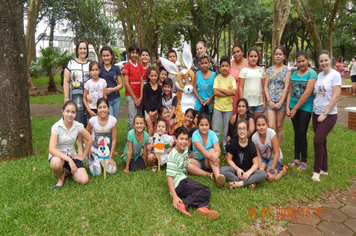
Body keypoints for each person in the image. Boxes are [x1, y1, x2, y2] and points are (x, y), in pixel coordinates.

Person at [166, 127, 219, 219]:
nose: (184, 142)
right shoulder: (173, 155)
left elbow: (186, 163)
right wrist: (174, 196)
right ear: (175, 139)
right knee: (205, 190)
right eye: (181, 139)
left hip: (183, 180)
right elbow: (169, 177)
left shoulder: (185, 148)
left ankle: (202, 208)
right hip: (179, 184)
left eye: (186, 139)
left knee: (199, 190)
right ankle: (182, 204)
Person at [48, 100, 93, 188]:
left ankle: (67, 170)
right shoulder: (56, 127)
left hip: (72, 155)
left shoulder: (78, 126)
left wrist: (83, 156)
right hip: (58, 156)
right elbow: (52, 149)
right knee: (55, 162)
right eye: (67, 111)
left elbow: (90, 139)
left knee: (84, 180)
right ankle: (60, 178)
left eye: (73, 112)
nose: (70, 114)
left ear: (76, 114)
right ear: (63, 112)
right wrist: (69, 160)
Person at [312, 50, 341, 182]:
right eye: (321, 61)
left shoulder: (335, 75)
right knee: (322, 141)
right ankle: (324, 168)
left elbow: (335, 97)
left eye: (325, 60)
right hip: (316, 112)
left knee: (317, 141)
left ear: (330, 59)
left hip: (328, 115)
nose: (323, 63)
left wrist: (325, 113)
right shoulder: (319, 75)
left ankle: (316, 171)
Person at [286, 50, 317, 171]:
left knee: (302, 133)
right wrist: (289, 107)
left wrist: (295, 109)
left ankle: (304, 160)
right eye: (298, 62)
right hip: (293, 106)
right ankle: (296, 158)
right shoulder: (294, 74)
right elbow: (290, 91)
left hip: (304, 108)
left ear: (307, 60)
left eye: (303, 61)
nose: (301, 64)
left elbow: (307, 94)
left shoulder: (312, 74)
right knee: (296, 132)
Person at [220, 119, 266, 189]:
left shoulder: (251, 145)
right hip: (235, 170)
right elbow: (229, 160)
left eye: (244, 129)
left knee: (262, 174)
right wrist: (237, 169)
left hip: (248, 171)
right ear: (237, 131)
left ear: (247, 130)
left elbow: (256, 164)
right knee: (222, 170)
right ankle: (247, 183)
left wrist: (248, 173)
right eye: (240, 129)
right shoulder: (233, 143)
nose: (242, 131)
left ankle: (239, 183)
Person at [63, 40, 90, 154]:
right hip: (75, 97)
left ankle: (88, 143)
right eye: (81, 48)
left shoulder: (91, 64)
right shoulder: (71, 64)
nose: (83, 51)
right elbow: (66, 80)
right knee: (77, 121)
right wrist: (66, 97)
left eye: (85, 48)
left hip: (88, 98)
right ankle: (79, 145)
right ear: (77, 50)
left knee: (88, 120)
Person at [189, 114, 226, 187]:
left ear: (209, 125)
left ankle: (218, 177)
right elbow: (201, 150)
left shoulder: (212, 134)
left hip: (208, 161)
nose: (204, 127)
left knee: (212, 150)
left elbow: (218, 150)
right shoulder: (195, 134)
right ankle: (209, 174)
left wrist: (216, 155)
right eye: (202, 125)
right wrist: (214, 158)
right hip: (197, 160)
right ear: (198, 125)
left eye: (206, 125)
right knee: (185, 163)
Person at [264, 46, 291, 147]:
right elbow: (265, 87)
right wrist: (269, 101)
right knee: (271, 126)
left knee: (279, 126)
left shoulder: (287, 71)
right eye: (276, 54)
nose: (278, 56)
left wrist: (280, 103)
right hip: (270, 102)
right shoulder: (269, 70)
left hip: (281, 103)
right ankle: (271, 147)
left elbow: (287, 88)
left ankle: (277, 150)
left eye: (280, 54)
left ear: (284, 56)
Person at [86, 98, 117, 176]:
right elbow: (85, 135)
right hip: (93, 149)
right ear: (97, 109)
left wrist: (110, 157)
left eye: (104, 107)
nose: (102, 110)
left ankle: (101, 161)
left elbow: (114, 140)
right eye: (100, 107)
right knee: (96, 173)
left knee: (112, 170)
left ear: (108, 108)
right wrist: (88, 149)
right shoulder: (92, 120)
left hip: (105, 151)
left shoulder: (113, 120)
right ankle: (91, 160)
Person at [252, 115, 288, 181]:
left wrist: (271, 170)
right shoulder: (254, 137)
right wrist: (260, 169)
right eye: (259, 125)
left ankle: (283, 171)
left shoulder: (271, 133)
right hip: (263, 158)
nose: (261, 127)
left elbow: (277, 153)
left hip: (274, 157)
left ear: (267, 125)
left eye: (263, 125)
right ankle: (271, 168)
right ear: (255, 126)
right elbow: (258, 155)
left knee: (270, 177)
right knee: (261, 174)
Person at [213, 56, 237, 151]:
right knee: (216, 130)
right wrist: (228, 92)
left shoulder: (232, 79)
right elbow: (215, 92)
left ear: (230, 67)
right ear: (219, 67)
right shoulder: (217, 79)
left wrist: (221, 90)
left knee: (227, 131)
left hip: (228, 108)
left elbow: (234, 92)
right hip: (217, 107)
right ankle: (216, 148)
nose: (224, 68)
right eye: (222, 66)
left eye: (226, 66)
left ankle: (226, 148)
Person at [239, 47, 266, 119]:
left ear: (258, 57)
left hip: (258, 102)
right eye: (251, 56)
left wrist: (264, 102)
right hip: (247, 102)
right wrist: (242, 102)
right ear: (247, 58)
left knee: (257, 123)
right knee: (248, 123)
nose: (253, 58)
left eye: (255, 56)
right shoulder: (244, 70)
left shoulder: (262, 70)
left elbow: (264, 87)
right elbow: (240, 87)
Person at [122, 43, 144, 133]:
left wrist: (141, 96)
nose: (134, 55)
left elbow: (142, 82)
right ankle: (129, 141)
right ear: (129, 53)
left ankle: (138, 140)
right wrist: (134, 98)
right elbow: (126, 83)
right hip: (131, 96)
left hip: (140, 96)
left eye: (136, 53)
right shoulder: (127, 65)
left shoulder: (140, 65)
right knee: (132, 120)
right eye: (132, 52)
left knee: (139, 120)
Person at [99, 46, 123, 120]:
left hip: (116, 99)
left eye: (108, 55)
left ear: (111, 55)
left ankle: (113, 132)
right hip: (105, 100)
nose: (106, 58)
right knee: (109, 120)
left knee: (114, 120)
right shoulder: (99, 68)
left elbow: (121, 84)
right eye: (104, 56)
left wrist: (112, 90)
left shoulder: (116, 68)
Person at [193, 53, 215, 118]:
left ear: (209, 63)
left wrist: (210, 99)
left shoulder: (213, 75)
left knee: (209, 123)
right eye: (202, 63)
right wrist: (199, 99)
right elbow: (194, 89)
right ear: (200, 64)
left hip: (209, 104)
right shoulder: (197, 74)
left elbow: (215, 90)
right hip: (199, 104)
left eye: (206, 63)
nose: (204, 65)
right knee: (199, 122)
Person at [143, 67, 163, 136]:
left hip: (156, 111)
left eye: (155, 76)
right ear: (148, 76)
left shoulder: (159, 88)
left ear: (158, 76)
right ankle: (148, 145)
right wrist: (149, 112)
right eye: (152, 76)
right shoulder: (146, 87)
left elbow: (160, 101)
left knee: (155, 130)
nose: (154, 78)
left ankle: (155, 144)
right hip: (148, 111)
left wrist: (156, 112)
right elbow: (145, 100)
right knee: (150, 129)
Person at [230, 44, 248, 114]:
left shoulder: (248, 63)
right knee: (234, 117)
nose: (236, 54)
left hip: (247, 93)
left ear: (242, 52)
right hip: (234, 95)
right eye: (234, 53)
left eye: (238, 51)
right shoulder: (230, 64)